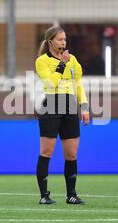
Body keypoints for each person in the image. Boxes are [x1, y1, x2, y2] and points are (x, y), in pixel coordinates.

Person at [34, 26, 90, 205]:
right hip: (51, 105)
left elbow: (79, 84)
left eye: (65, 40)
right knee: (46, 151)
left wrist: (85, 107)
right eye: (59, 40)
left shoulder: (73, 60)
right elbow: (50, 84)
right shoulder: (42, 61)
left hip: (70, 106)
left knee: (71, 154)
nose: (63, 43)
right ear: (50, 41)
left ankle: (71, 194)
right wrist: (61, 64)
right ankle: (44, 195)